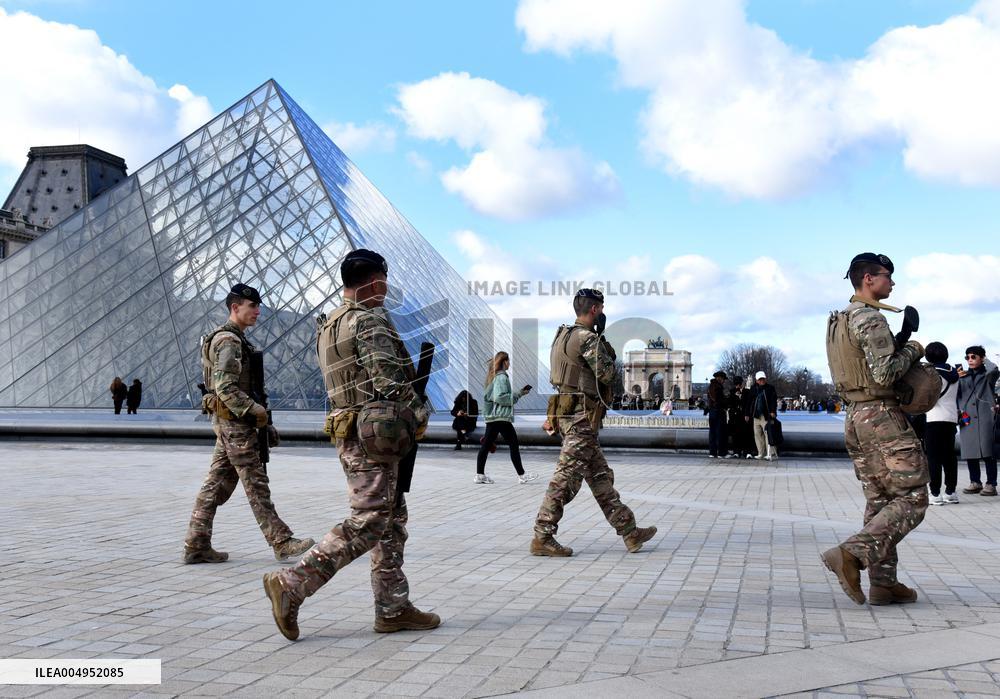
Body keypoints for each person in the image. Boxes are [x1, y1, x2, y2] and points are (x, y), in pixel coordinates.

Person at [263, 249, 439, 641]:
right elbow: (390, 382)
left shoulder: (330, 324)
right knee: (370, 519)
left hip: (352, 431)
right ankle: (292, 584)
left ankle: (393, 607)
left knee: (391, 520)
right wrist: (420, 416)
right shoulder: (368, 319)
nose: (387, 288)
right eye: (385, 280)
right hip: (374, 438)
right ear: (375, 281)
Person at [821, 252, 928, 606]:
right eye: (887, 277)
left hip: (854, 416)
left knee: (880, 500)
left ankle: (884, 583)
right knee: (912, 497)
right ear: (869, 279)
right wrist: (914, 348)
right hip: (882, 417)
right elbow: (885, 374)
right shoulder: (870, 318)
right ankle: (851, 554)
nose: (892, 283)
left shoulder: (840, 319)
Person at [183, 283, 314, 565]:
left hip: (231, 424)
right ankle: (281, 541)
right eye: (252, 306)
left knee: (215, 485)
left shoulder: (231, 339)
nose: (258, 311)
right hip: (236, 425)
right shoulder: (229, 341)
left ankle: (196, 543)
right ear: (235, 307)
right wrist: (257, 413)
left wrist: (263, 424)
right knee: (255, 483)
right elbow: (226, 388)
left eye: (258, 306)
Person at [531, 288, 657, 557]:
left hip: (569, 413)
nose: (603, 313)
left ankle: (629, 531)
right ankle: (542, 534)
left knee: (600, 477)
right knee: (565, 479)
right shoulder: (588, 338)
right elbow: (608, 374)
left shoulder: (562, 335)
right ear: (595, 310)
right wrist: (605, 345)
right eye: (601, 308)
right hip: (581, 418)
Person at [475, 352, 538, 484]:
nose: (509, 364)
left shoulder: (492, 378)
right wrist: (518, 395)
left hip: (494, 416)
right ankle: (522, 475)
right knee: (513, 444)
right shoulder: (502, 377)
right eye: (508, 361)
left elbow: (487, 397)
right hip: (501, 416)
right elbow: (500, 397)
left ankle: (480, 475)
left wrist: (487, 415)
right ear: (504, 362)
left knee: (486, 445)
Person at [958, 346, 999, 496]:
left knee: (989, 453)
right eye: (967, 357)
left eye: (974, 356)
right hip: (967, 418)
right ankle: (975, 482)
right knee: (970, 451)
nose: (970, 360)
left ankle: (991, 484)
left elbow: (994, 368)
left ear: (982, 358)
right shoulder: (963, 375)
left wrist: (985, 358)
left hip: (986, 417)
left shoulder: (988, 375)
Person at [922, 342, 960, 505]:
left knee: (933, 457)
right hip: (951, 418)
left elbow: (928, 397)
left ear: (928, 356)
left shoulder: (931, 374)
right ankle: (950, 491)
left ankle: (935, 493)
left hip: (933, 418)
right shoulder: (954, 373)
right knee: (949, 456)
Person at [748, 371, 778, 460]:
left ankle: (771, 453)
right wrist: (747, 413)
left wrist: (772, 411)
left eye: (763, 379)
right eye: (760, 379)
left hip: (766, 415)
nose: (762, 380)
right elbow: (749, 402)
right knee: (757, 434)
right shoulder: (753, 389)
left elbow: (773, 400)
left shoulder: (770, 388)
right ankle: (761, 452)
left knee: (768, 434)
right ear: (756, 380)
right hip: (756, 415)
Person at [707, 370, 729, 458]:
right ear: (720, 378)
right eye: (723, 379)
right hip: (719, 411)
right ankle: (721, 453)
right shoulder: (718, 387)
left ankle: (712, 452)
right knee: (721, 432)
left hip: (712, 412)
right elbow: (719, 400)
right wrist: (727, 401)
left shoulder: (710, 386)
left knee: (712, 432)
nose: (724, 381)